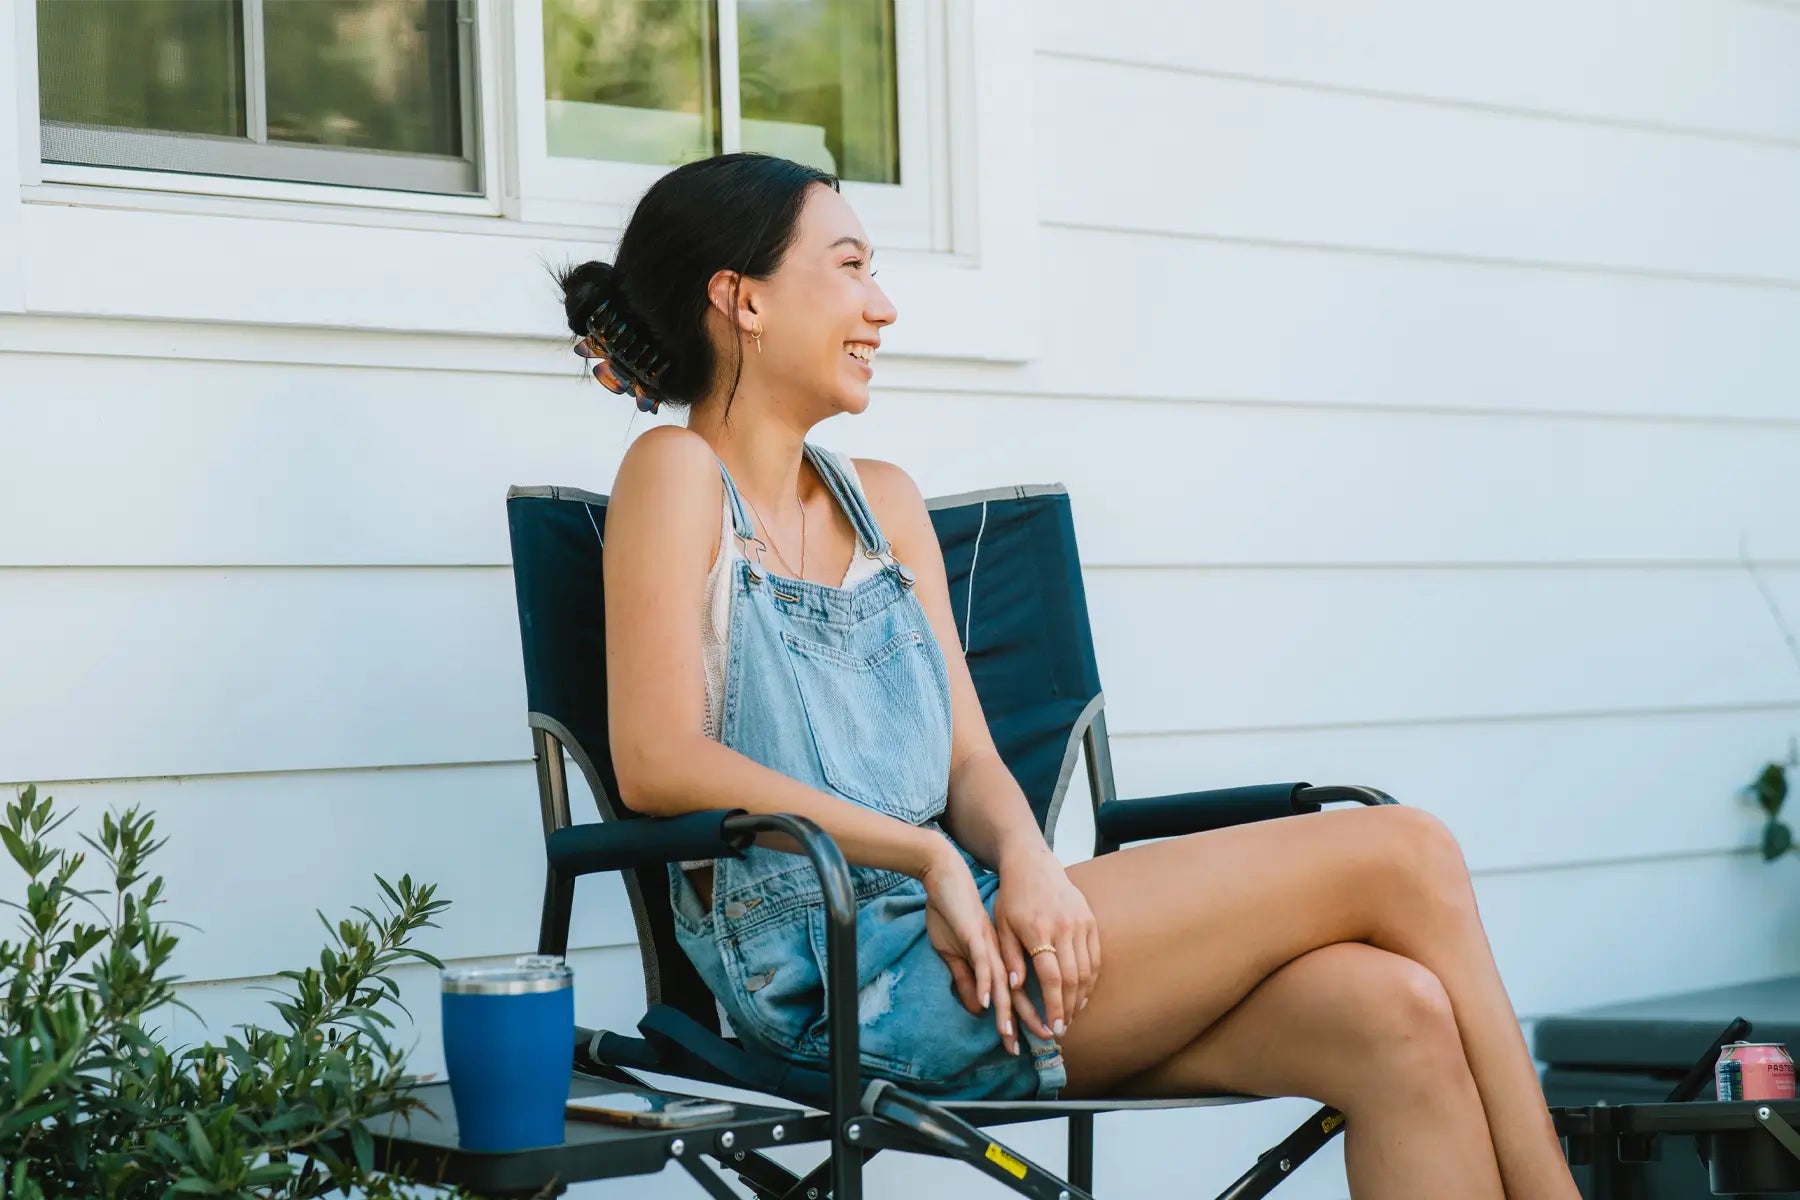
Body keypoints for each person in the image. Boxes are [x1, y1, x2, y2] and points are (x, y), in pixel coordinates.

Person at [558, 152, 1578, 1199]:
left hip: (974, 943)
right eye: (852, 266)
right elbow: (657, 760)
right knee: (1404, 850)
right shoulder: (675, 476)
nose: (884, 306)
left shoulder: (886, 503)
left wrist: (1030, 868)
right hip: (838, 987)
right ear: (743, 300)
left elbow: (969, 756)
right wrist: (929, 859)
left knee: (1393, 1014)